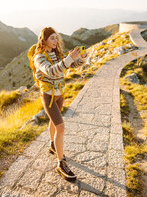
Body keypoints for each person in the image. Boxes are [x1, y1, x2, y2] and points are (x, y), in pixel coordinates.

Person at [32, 27, 87, 180]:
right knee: (60, 127)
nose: (56, 41)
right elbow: (51, 71)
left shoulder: (57, 54)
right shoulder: (39, 58)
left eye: (56, 38)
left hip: (59, 94)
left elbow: (72, 66)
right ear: (45, 40)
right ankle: (60, 164)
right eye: (52, 38)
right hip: (49, 97)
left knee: (54, 123)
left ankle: (52, 145)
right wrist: (69, 58)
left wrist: (81, 58)